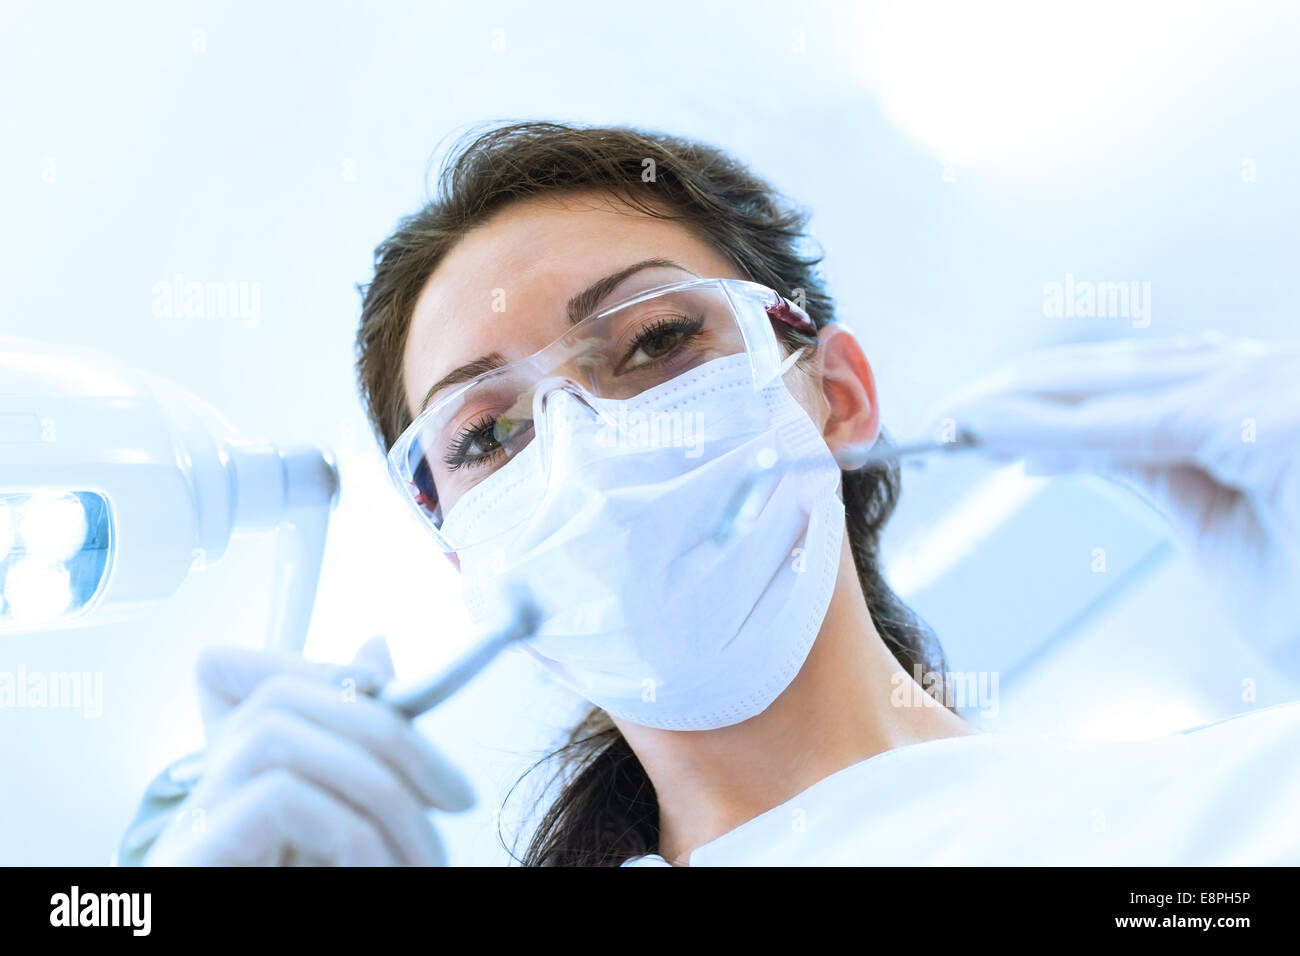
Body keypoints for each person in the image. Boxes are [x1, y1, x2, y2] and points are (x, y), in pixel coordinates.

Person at [143, 122, 1300, 866]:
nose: (584, 446)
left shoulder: (1214, 823)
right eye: (488, 431)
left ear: (836, 396)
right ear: (466, 556)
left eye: (650, 342)